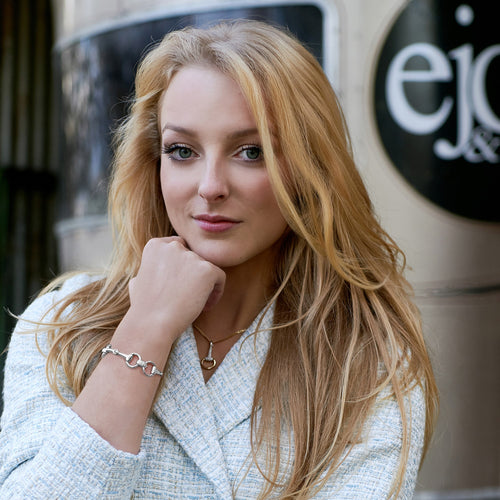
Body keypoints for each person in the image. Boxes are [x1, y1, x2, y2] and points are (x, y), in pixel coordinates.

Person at [0, 20, 438, 499]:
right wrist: (147, 327)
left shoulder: (364, 356)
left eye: (251, 152)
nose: (210, 186)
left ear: (308, 168)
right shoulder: (63, 326)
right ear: (154, 162)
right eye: (182, 150)